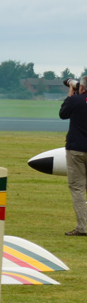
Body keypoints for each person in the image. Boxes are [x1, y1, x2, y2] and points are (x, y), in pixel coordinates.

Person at [61, 77, 87, 235]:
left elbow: (63, 114)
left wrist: (71, 94)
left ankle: (83, 227)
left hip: (76, 149)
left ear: (81, 87)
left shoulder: (75, 100)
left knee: (77, 188)